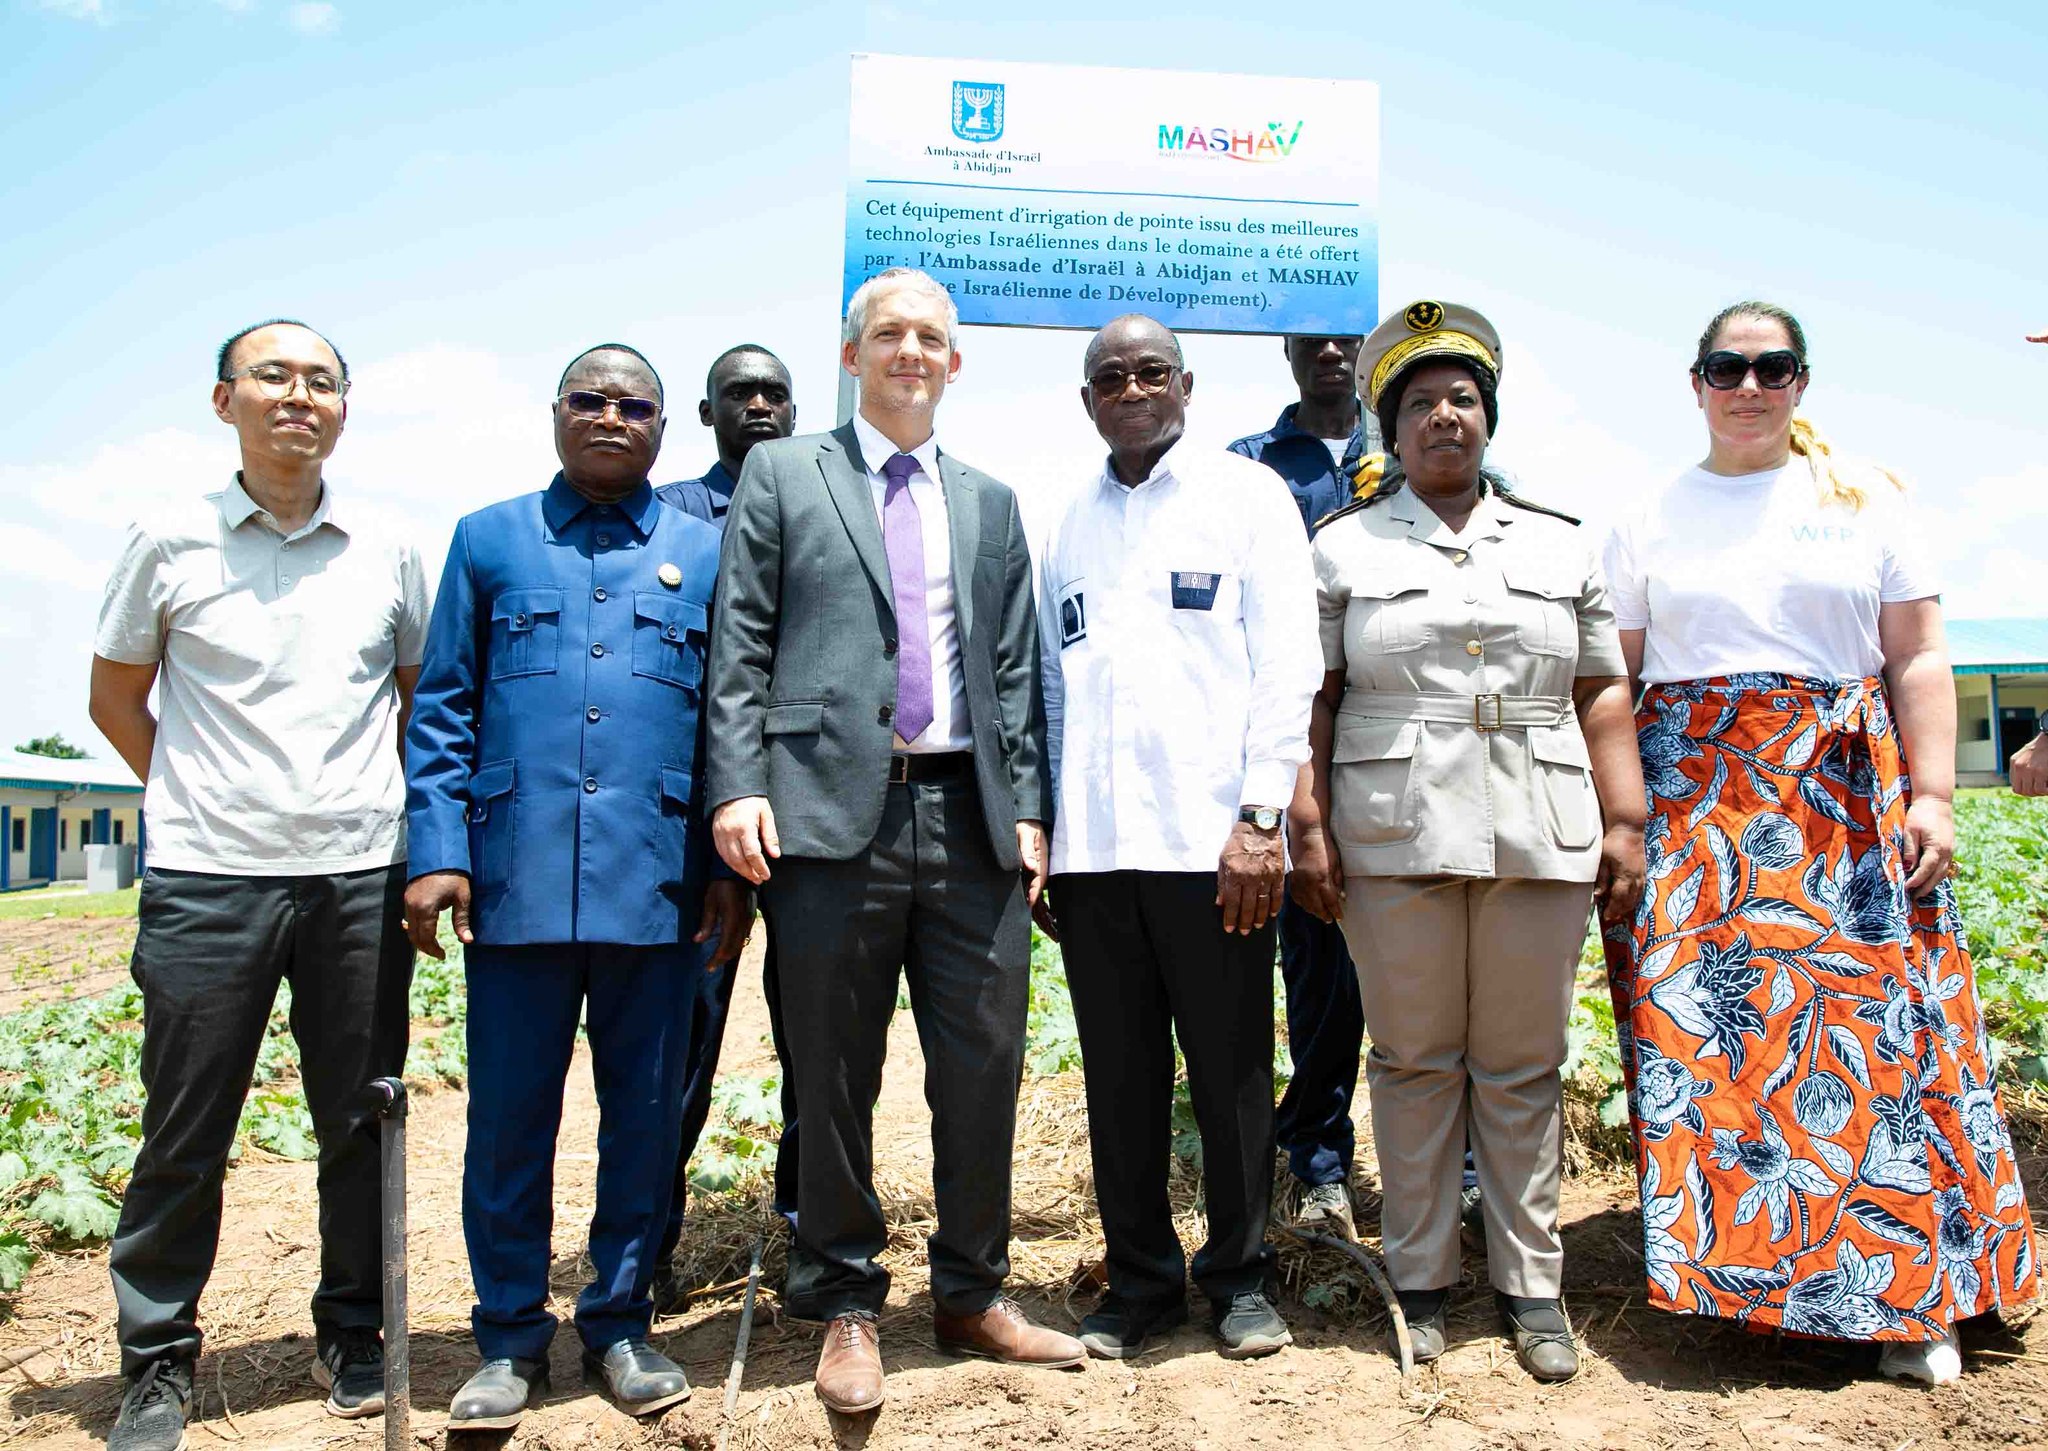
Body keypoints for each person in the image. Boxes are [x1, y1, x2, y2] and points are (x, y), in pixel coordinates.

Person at [1601, 301, 2038, 1386]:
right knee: (1727, 1046)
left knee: (1872, 1039)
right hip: (1697, 805)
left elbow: (1920, 657)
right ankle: (1771, 1295)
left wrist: (1931, 794)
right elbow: (1609, 676)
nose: (1746, 385)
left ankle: (1907, 1298)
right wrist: (1623, 816)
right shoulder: (1646, 510)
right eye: (1724, 367)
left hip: (1842, 801)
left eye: (1770, 366)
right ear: (1692, 381)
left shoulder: (1862, 499)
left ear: (1801, 381)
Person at [706, 267, 1084, 1414]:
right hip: (825, 819)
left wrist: (1028, 808)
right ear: (851, 353)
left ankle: (971, 1291)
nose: (909, 351)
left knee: (982, 1066)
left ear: (953, 361)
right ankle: (845, 1301)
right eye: (888, 335)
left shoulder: (987, 498)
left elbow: (1014, 667)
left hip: (967, 819)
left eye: (929, 336)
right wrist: (734, 783)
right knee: (830, 1070)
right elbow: (743, 637)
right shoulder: (782, 472)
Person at [1290, 301, 1646, 1382]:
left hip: (1539, 826)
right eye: (1418, 404)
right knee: (1410, 1058)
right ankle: (1420, 1276)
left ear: (1487, 419)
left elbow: (1599, 692)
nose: (1443, 416)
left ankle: (1531, 1285)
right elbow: (1309, 696)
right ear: (1387, 431)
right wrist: (1305, 819)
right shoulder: (1339, 547)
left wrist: (1624, 816)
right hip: (1392, 831)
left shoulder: (1556, 541)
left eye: (1462, 399)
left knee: (1521, 1063)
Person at [404, 343, 752, 1430]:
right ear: (555, 413)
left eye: (633, 405)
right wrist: (435, 849)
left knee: (643, 1118)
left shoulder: (705, 550)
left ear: (662, 426)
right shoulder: (488, 538)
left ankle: (619, 1321)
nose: (611, 417)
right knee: (509, 1121)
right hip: (513, 883)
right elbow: (443, 706)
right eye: (589, 401)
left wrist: (722, 875)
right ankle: (508, 1335)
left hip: (658, 887)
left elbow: (724, 723)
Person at [90, 319, 423, 1451]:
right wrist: (203, 795)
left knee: (359, 1120)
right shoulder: (167, 539)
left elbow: (418, 697)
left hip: (357, 876)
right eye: (273, 376)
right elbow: (117, 698)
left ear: (343, 406)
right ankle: (156, 1362)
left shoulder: (384, 544)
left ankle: (355, 1332)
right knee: (184, 1126)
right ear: (224, 399)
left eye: (320, 380)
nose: (299, 395)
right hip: (205, 879)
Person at [1040, 314, 1321, 1361]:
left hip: (1214, 847)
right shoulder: (1065, 520)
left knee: (1231, 1067)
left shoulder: (1247, 498)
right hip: (1097, 853)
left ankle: (1239, 1276)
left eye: (1149, 370)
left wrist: (1259, 818)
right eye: (1108, 376)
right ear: (1087, 400)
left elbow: (1286, 666)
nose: (1129, 387)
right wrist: (1053, 833)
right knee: (1117, 1078)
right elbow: (1055, 694)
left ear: (1185, 384)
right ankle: (1141, 1277)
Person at [650, 344, 801, 1311]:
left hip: (807, 819)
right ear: (706, 413)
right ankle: (648, 1243)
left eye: (773, 393)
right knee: (681, 1042)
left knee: (817, 1034)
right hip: (699, 823)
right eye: (737, 393)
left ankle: (804, 1223)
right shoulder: (664, 518)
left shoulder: (824, 498)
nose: (758, 405)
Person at [1226, 335, 1373, 1238]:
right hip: (1297, 759)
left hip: (1403, 752)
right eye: (1308, 333)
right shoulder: (1244, 468)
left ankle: (1462, 1169)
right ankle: (1318, 1163)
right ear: (1283, 346)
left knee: (1434, 981)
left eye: (1345, 335)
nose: (1328, 349)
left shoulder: (1417, 446)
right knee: (1318, 980)